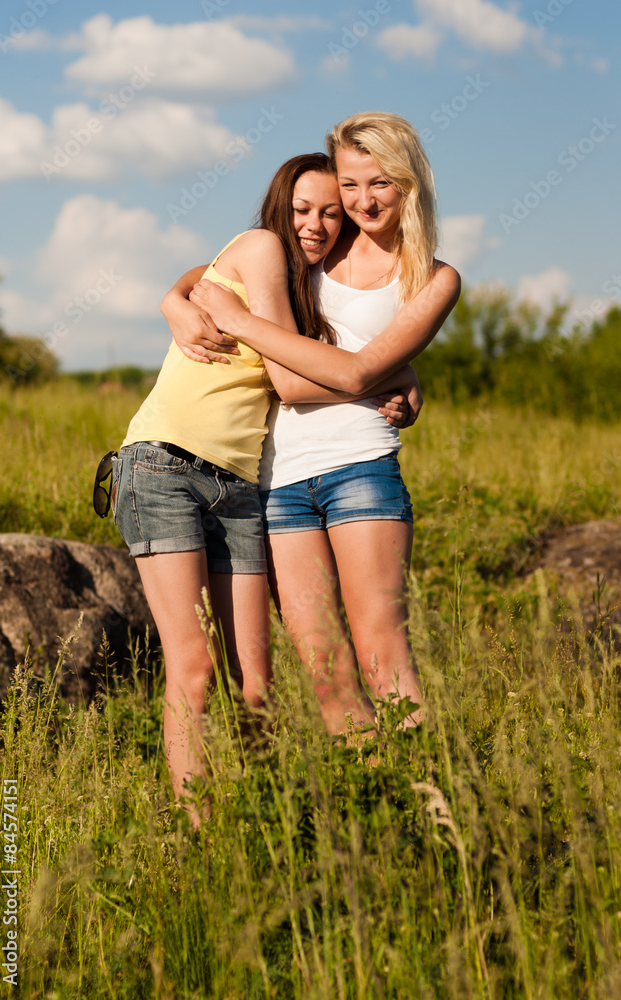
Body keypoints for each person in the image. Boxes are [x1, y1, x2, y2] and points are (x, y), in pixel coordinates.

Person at [112, 152, 421, 820]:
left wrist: (394, 374)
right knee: (196, 669)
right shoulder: (260, 247)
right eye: (302, 209)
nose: (315, 225)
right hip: (164, 465)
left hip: (240, 484)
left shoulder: (301, 283)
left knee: (256, 685)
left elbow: (203, 286)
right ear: (280, 206)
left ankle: (265, 827)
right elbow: (289, 378)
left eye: (331, 215)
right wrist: (386, 375)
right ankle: (199, 836)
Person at [168, 112, 461, 736]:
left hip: (361, 470)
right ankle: (370, 795)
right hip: (279, 481)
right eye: (350, 185)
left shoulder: (434, 279)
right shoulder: (320, 242)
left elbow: (357, 375)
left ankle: (426, 795)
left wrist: (398, 375)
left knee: (383, 656)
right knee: (327, 673)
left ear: (410, 183)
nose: (362, 201)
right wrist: (173, 300)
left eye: (380, 183)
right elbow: (217, 271)